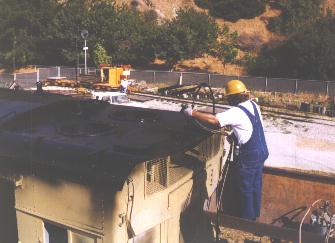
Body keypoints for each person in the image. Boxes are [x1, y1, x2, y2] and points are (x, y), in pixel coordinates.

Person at [183, 79, 269, 221]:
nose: (228, 100)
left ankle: (247, 220)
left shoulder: (236, 111)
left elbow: (214, 121)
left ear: (234, 97)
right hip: (262, 150)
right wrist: (235, 134)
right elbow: (250, 126)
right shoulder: (254, 105)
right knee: (255, 184)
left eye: (229, 97)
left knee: (245, 186)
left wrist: (192, 113)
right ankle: (255, 215)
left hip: (249, 154)